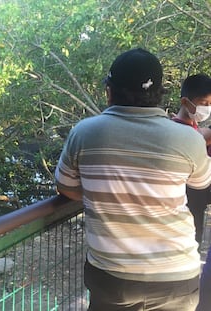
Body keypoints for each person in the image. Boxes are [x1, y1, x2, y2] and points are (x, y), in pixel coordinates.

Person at [55, 48, 211, 311]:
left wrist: (105, 193)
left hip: (113, 278)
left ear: (109, 91)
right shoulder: (189, 139)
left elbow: (65, 187)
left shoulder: (83, 133)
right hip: (177, 276)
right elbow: (200, 182)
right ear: (160, 92)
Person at [172, 73, 211, 246]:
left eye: (210, 104)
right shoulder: (175, 132)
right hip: (184, 205)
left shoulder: (193, 129)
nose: (207, 108)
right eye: (203, 103)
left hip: (197, 204)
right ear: (185, 102)